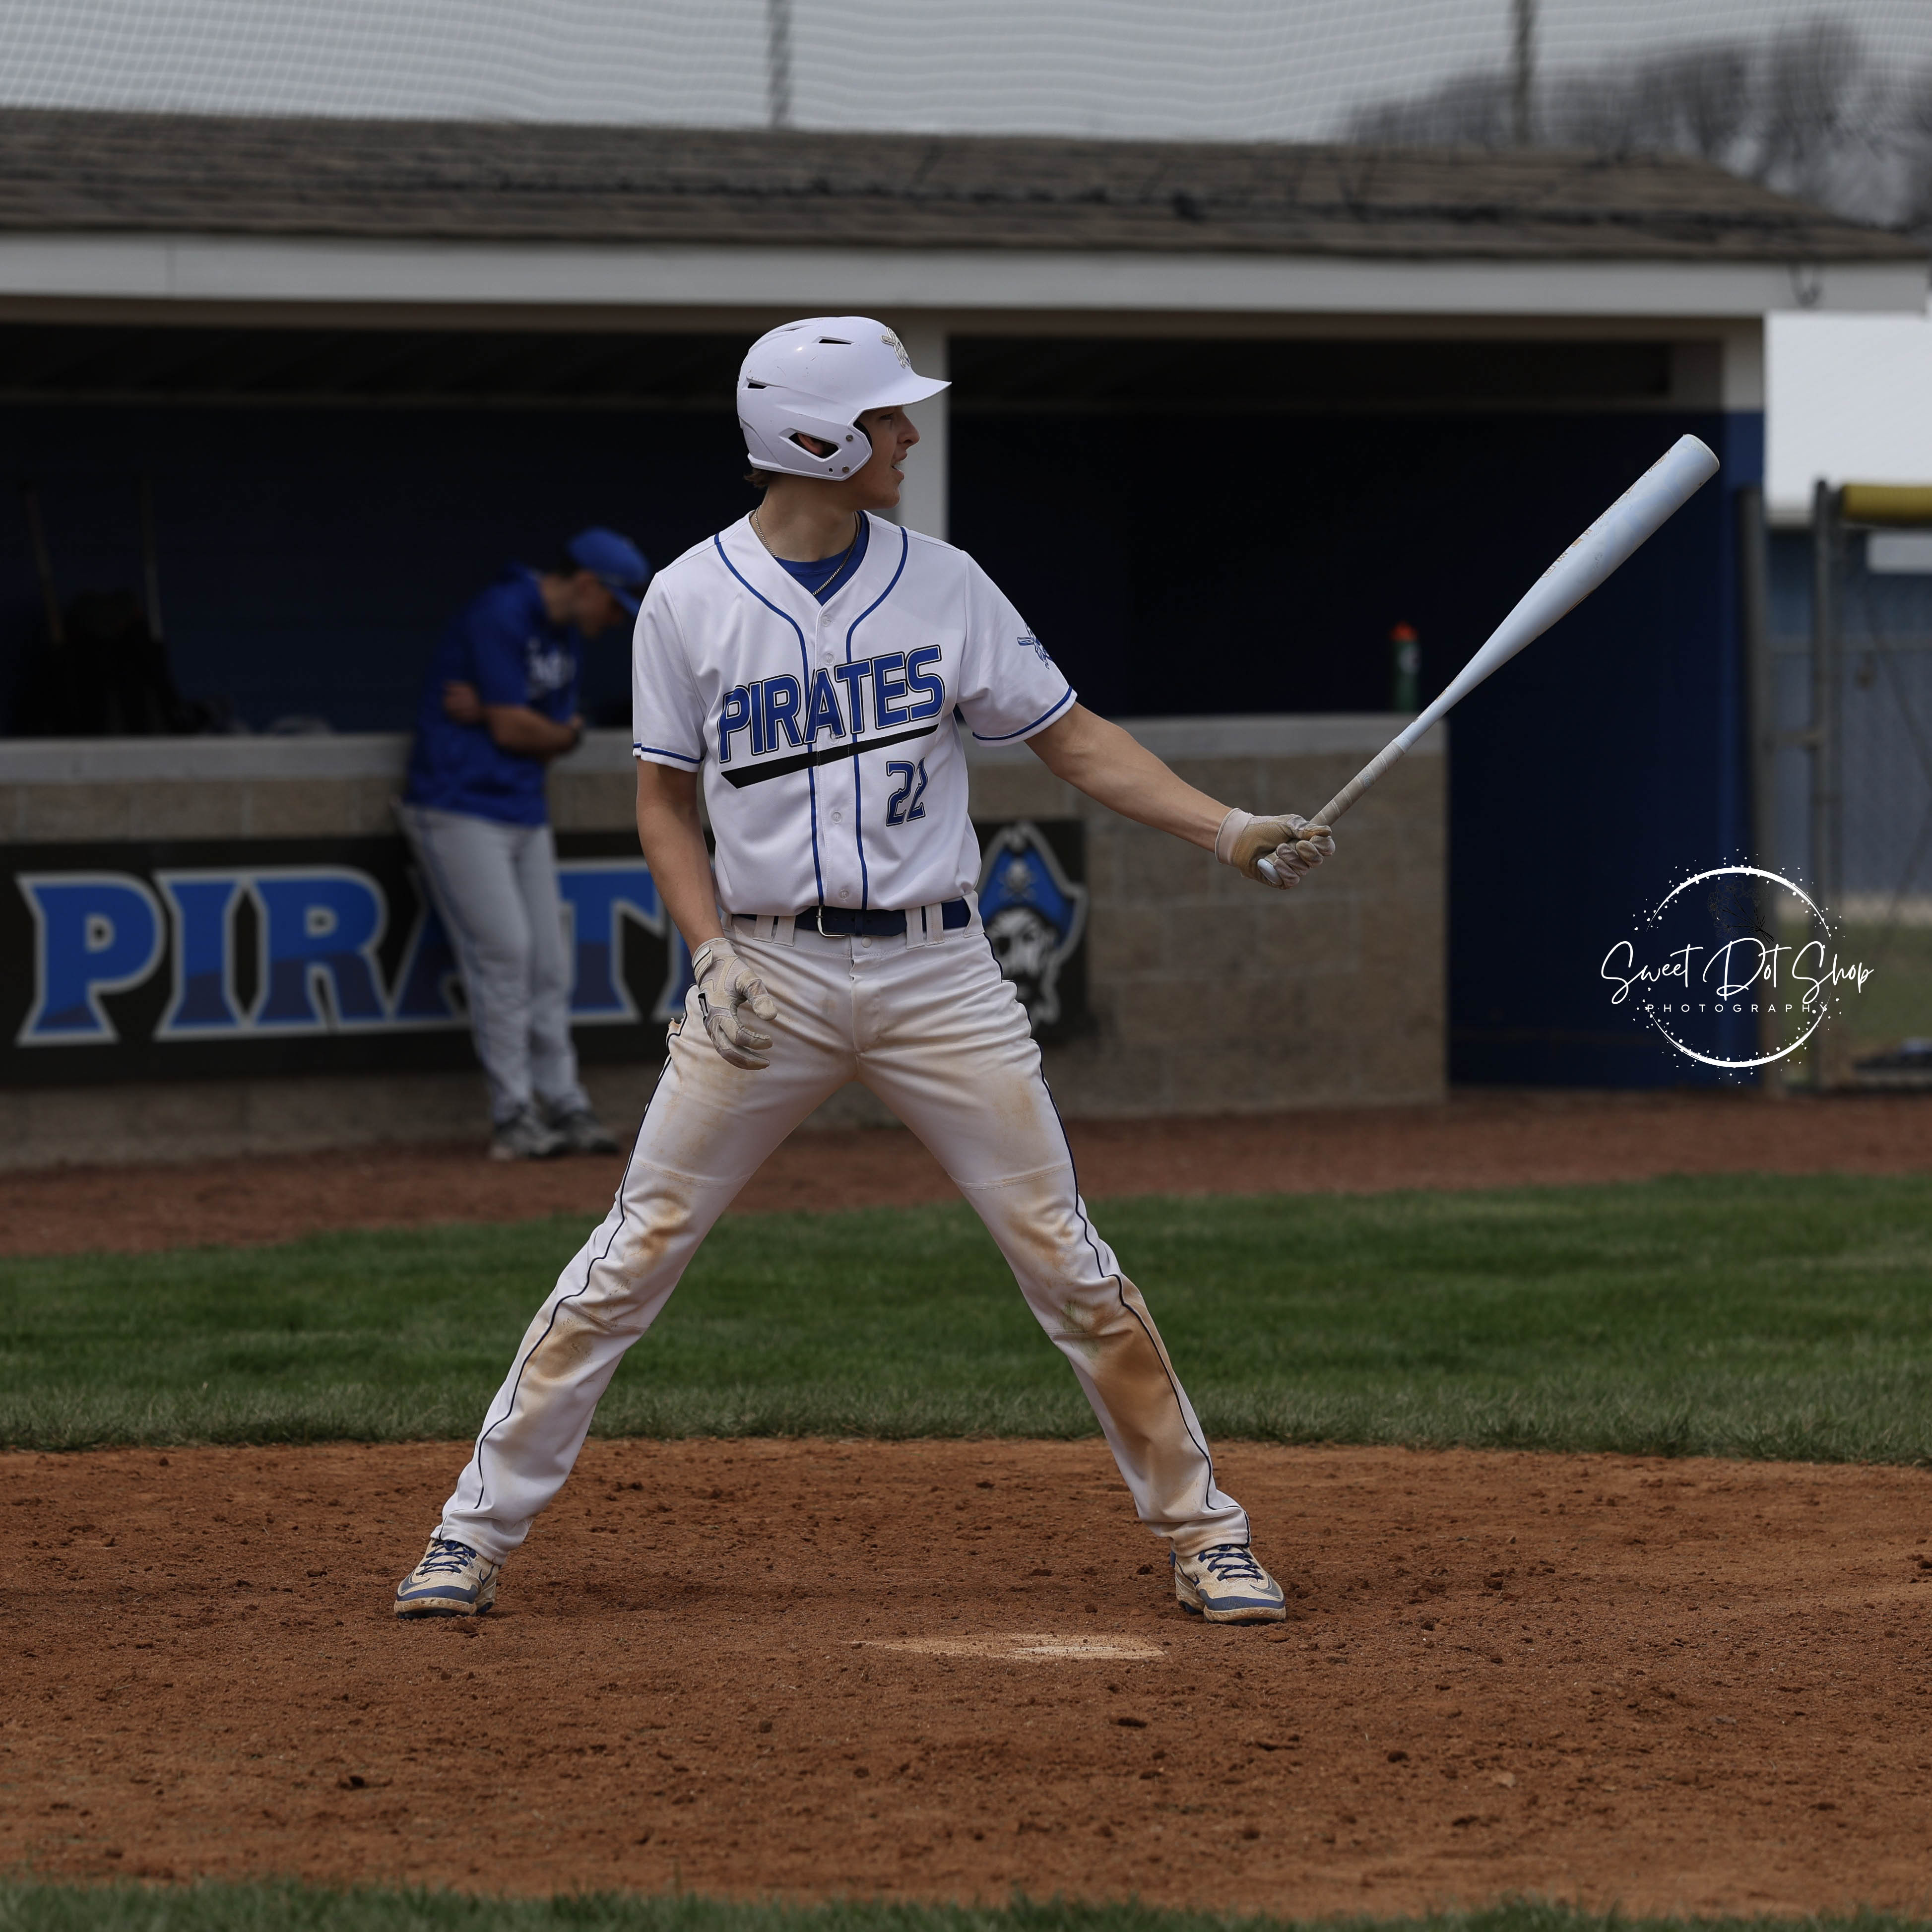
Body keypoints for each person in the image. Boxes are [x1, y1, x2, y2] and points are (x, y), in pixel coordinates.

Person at [394, 318, 1334, 1623]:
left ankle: (1204, 1530)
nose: (906, 434)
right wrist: (710, 950)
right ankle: (470, 1532)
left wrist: (1223, 829)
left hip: (938, 973)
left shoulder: (946, 581)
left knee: (1068, 1263)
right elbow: (663, 805)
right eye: (885, 417)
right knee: (630, 1253)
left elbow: (1071, 739)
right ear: (816, 439)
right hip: (764, 975)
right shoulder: (689, 597)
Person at [399, 528, 650, 1161]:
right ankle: (513, 1113)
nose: (614, 620)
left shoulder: (564, 633)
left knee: (549, 964)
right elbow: (522, 731)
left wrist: (513, 719)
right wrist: (519, 723)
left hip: (522, 807)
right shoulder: (502, 612)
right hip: (457, 805)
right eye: (612, 604)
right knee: (506, 955)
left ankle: (564, 1100)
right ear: (587, 584)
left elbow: (554, 730)